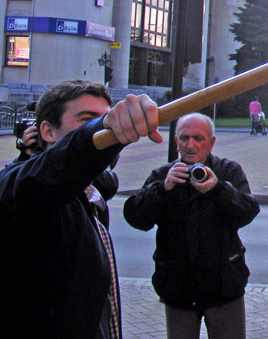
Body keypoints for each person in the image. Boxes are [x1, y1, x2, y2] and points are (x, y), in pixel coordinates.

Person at [0, 79, 162, 339]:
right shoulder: (21, 190)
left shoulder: (91, 197)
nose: (108, 129)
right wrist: (98, 130)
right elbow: (47, 177)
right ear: (48, 132)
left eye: (106, 117)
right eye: (86, 119)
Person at [123, 112, 259, 339]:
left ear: (211, 143)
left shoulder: (228, 171)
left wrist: (218, 190)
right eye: (184, 138)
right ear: (176, 141)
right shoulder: (163, 175)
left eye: (198, 138)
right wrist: (162, 189)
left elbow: (247, 211)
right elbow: (137, 218)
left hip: (223, 287)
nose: (190, 145)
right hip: (179, 289)